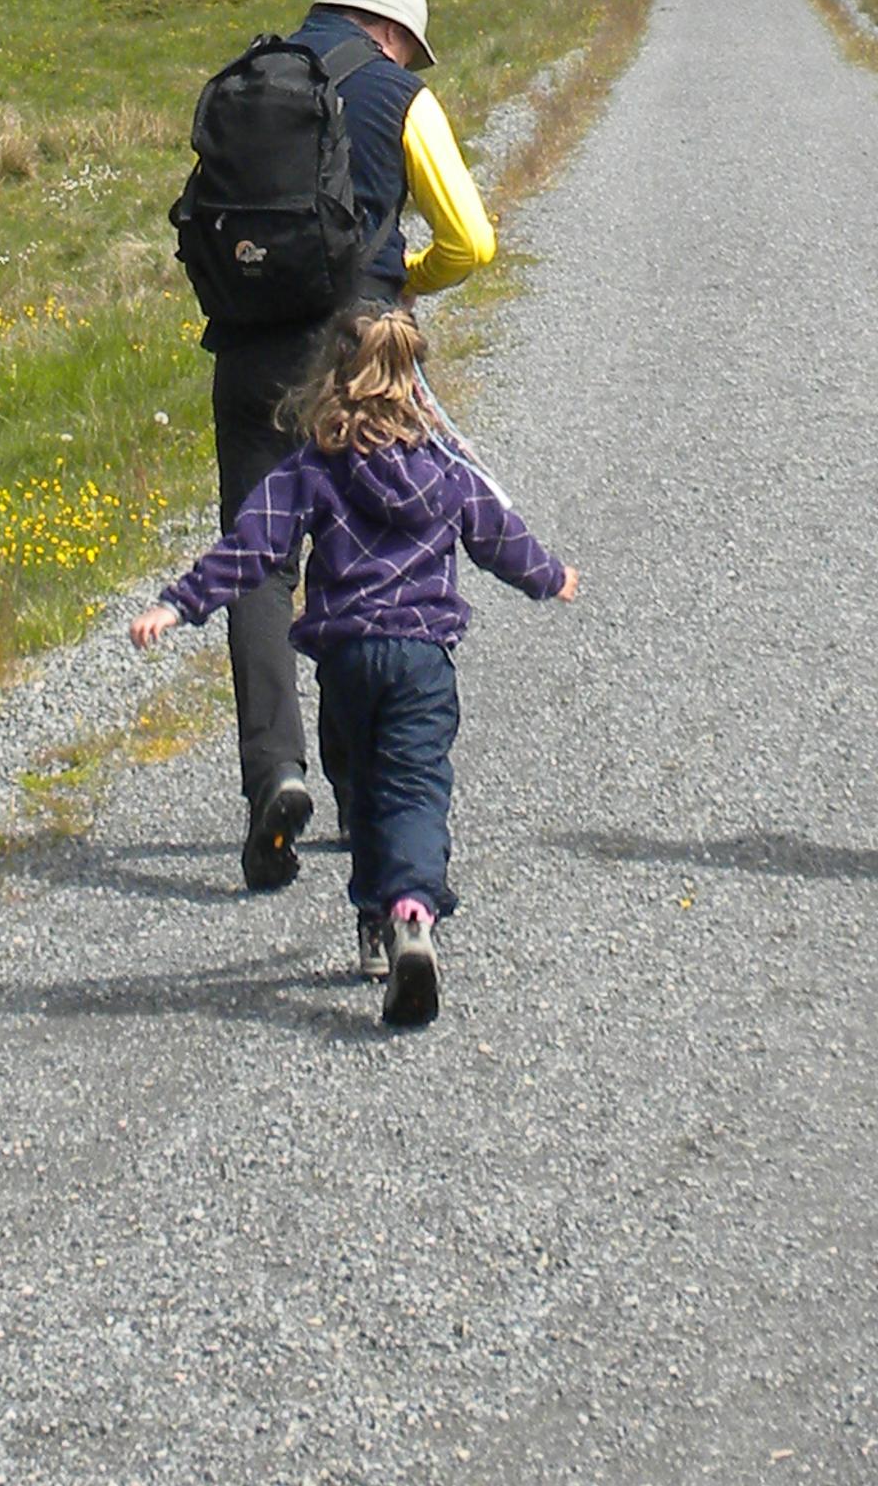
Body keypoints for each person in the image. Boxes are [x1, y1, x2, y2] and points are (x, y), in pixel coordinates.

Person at [129, 300, 574, 1030]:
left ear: (331, 379)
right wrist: (550, 576)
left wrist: (180, 605)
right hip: (423, 658)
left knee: (363, 789)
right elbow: (499, 536)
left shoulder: (312, 469)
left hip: (347, 660)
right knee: (415, 789)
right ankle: (410, 912)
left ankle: (374, 922)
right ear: (417, 382)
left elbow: (253, 548)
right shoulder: (446, 470)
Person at [189, 0, 500, 894]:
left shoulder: (247, 80)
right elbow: (472, 242)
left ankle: (273, 775)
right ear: (391, 33)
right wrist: (400, 279)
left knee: (259, 559)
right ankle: (360, 785)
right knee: (364, 548)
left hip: (247, 352)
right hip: (358, 349)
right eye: (413, 45)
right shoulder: (398, 95)